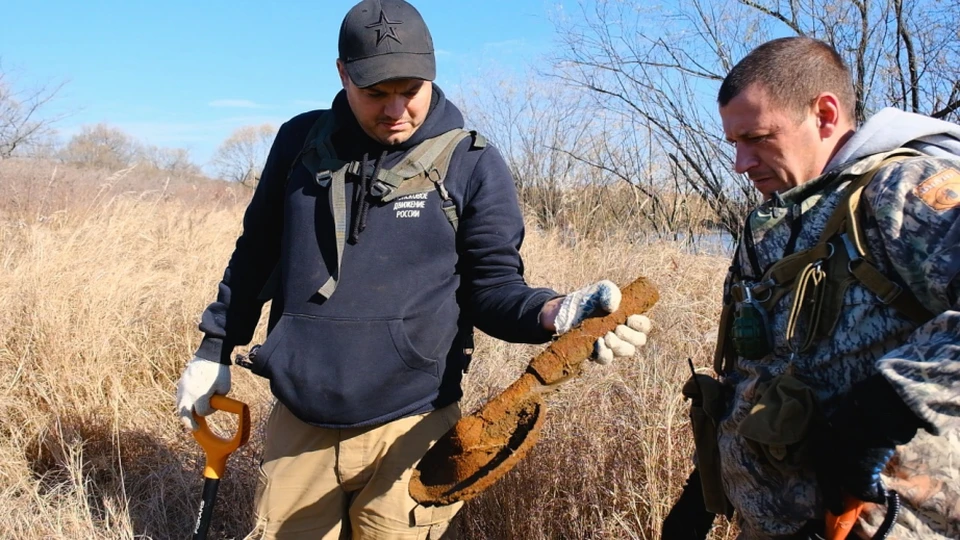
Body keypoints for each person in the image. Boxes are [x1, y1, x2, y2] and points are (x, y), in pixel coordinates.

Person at [175, 1, 652, 538]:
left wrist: (555, 312)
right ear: (342, 74)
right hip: (299, 424)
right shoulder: (299, 144)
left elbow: (493, 289)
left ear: (432, 73)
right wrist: (214, 347)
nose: (396, 108)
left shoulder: (472, 163)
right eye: (375, 93)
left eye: (411, 89)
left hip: (414, 425)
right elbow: (256, 252)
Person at [663, 37, 960, 539]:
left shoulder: (904, 187)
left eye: (756, 137)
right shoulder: (775, 220)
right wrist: (707, 485)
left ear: (824, 114)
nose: (740, 163)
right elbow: (756, 372)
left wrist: (883, 410)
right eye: (733, 143)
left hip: (879, 521)